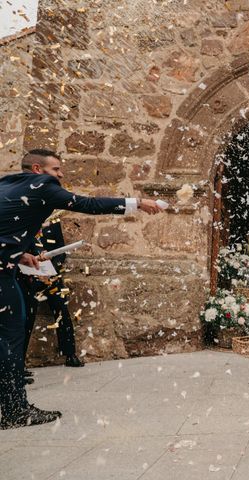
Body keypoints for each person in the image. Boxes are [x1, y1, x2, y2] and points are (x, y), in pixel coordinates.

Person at [0, 149, 161, 429]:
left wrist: (19, 254)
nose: (61, 175)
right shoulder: (43, 186)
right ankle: (14, 411)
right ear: (38, 169)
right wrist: (137, 202)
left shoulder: (7, 183)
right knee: (11, 338)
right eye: (56, 170)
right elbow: (87, 203)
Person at [20, 218, 86, 371]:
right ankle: (20, 364)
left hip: (52, 278)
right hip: (30, 278)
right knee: (27, 319)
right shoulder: (24, 220)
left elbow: (60, 250)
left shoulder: (53, 223)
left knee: (62, 313)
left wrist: (52, 270)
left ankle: (70, 355)